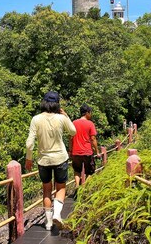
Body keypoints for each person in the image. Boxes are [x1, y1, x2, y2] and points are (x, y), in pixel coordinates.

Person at [25, 91, 76, 231]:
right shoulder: (61, 118)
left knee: (46, 190)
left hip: (43, 160)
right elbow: (73, 131)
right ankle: (57, 214)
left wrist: (28, 159)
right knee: (61, 188)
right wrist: (66, 116)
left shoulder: (35, 119)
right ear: (57, 104)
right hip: (60, 158)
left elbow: (29, 143)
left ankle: (48, 223)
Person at [71, 104, 100, 188]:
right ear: (87, 113)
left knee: (77, 170)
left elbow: (70, 138)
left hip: (76, 152)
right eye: (90, 113)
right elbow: (93, 139)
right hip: (87, 152)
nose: (91, 115)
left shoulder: (74, 123)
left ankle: (77, 186)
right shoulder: (90, 124)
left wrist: (70, 150)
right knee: (90, 172)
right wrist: (97, 152)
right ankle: (84, 187)